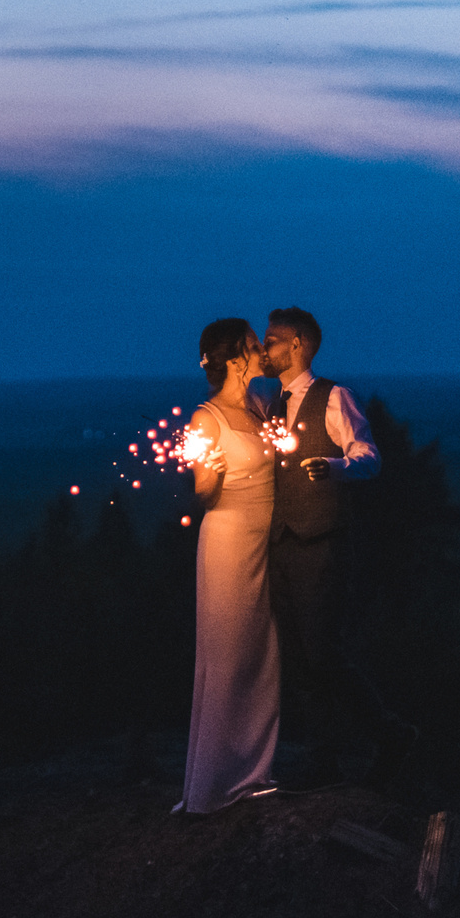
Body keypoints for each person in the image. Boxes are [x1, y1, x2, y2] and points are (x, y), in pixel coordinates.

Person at [251, 306, 421, 796]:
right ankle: (322, 760)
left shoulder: (334, 397)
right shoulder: (272, 403)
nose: (264, 347)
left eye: (272, 340)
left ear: (298, 344)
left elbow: (369, 456)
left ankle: (392, 734)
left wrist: (335, 466)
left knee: (323, 651)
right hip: (283, 543)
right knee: (300, 656)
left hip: (322, 541)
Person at [176, 317, 282, 815]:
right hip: (228, 544)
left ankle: (252, 772)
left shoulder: (259, 409)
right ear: (238, 357)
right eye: (255, 345)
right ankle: (213, 787)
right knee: (228, 656)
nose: (263, 350)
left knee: (261, 655)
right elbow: (203, 494)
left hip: (263, 544)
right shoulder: (206, 419)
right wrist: (208, 476)